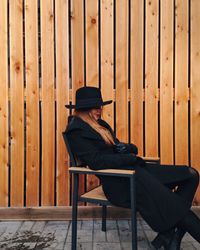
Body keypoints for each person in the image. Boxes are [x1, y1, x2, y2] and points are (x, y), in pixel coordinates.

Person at [64, 86, 200, 249]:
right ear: (84, 109)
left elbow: (116, 146)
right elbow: (96, 162)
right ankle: (169, 233)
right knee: (171, 203)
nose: (100, 110)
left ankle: (169, 234)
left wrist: (129, 148)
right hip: (120, 183)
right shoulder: (76, 130)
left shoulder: (100, 125)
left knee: (191, 174)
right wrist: (128, 157)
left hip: (135, 170)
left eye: (100, 106)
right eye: (95, 106)